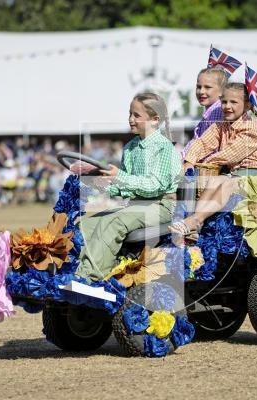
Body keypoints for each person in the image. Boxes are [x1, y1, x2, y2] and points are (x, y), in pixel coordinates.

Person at [75, 93, 182, 281]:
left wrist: (120, 177)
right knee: (85, 225)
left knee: (112, 222)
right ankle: (74, 269)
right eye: (130, 114)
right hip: (136, 205)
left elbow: (155, 186)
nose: (131, 119)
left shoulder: (163, 147)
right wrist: (101, 183)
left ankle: (91, 277)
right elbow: (127, 188)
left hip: (162, 206)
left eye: (137, 115)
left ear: (155, 119)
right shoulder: (131, 147)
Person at [170, 82, 257, 240]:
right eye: (224, 102)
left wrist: (206, 161)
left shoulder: (251, 129)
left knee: (226, 183)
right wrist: (189, 161)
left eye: (234, 102)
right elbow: (202, 142)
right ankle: (195, 224)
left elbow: (229, 155)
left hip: (251, 175)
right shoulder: (221, 124)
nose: (227, 106)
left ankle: (195, 220)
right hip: (231, 174)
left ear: (247, 105)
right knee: (215, 182)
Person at [182, 67, 227, 156]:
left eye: (207, 87)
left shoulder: (216, 111)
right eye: (199, 87)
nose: (201, 91)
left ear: (221, 91)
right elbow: (196, 140)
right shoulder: (210, 111)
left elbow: (208, 145)